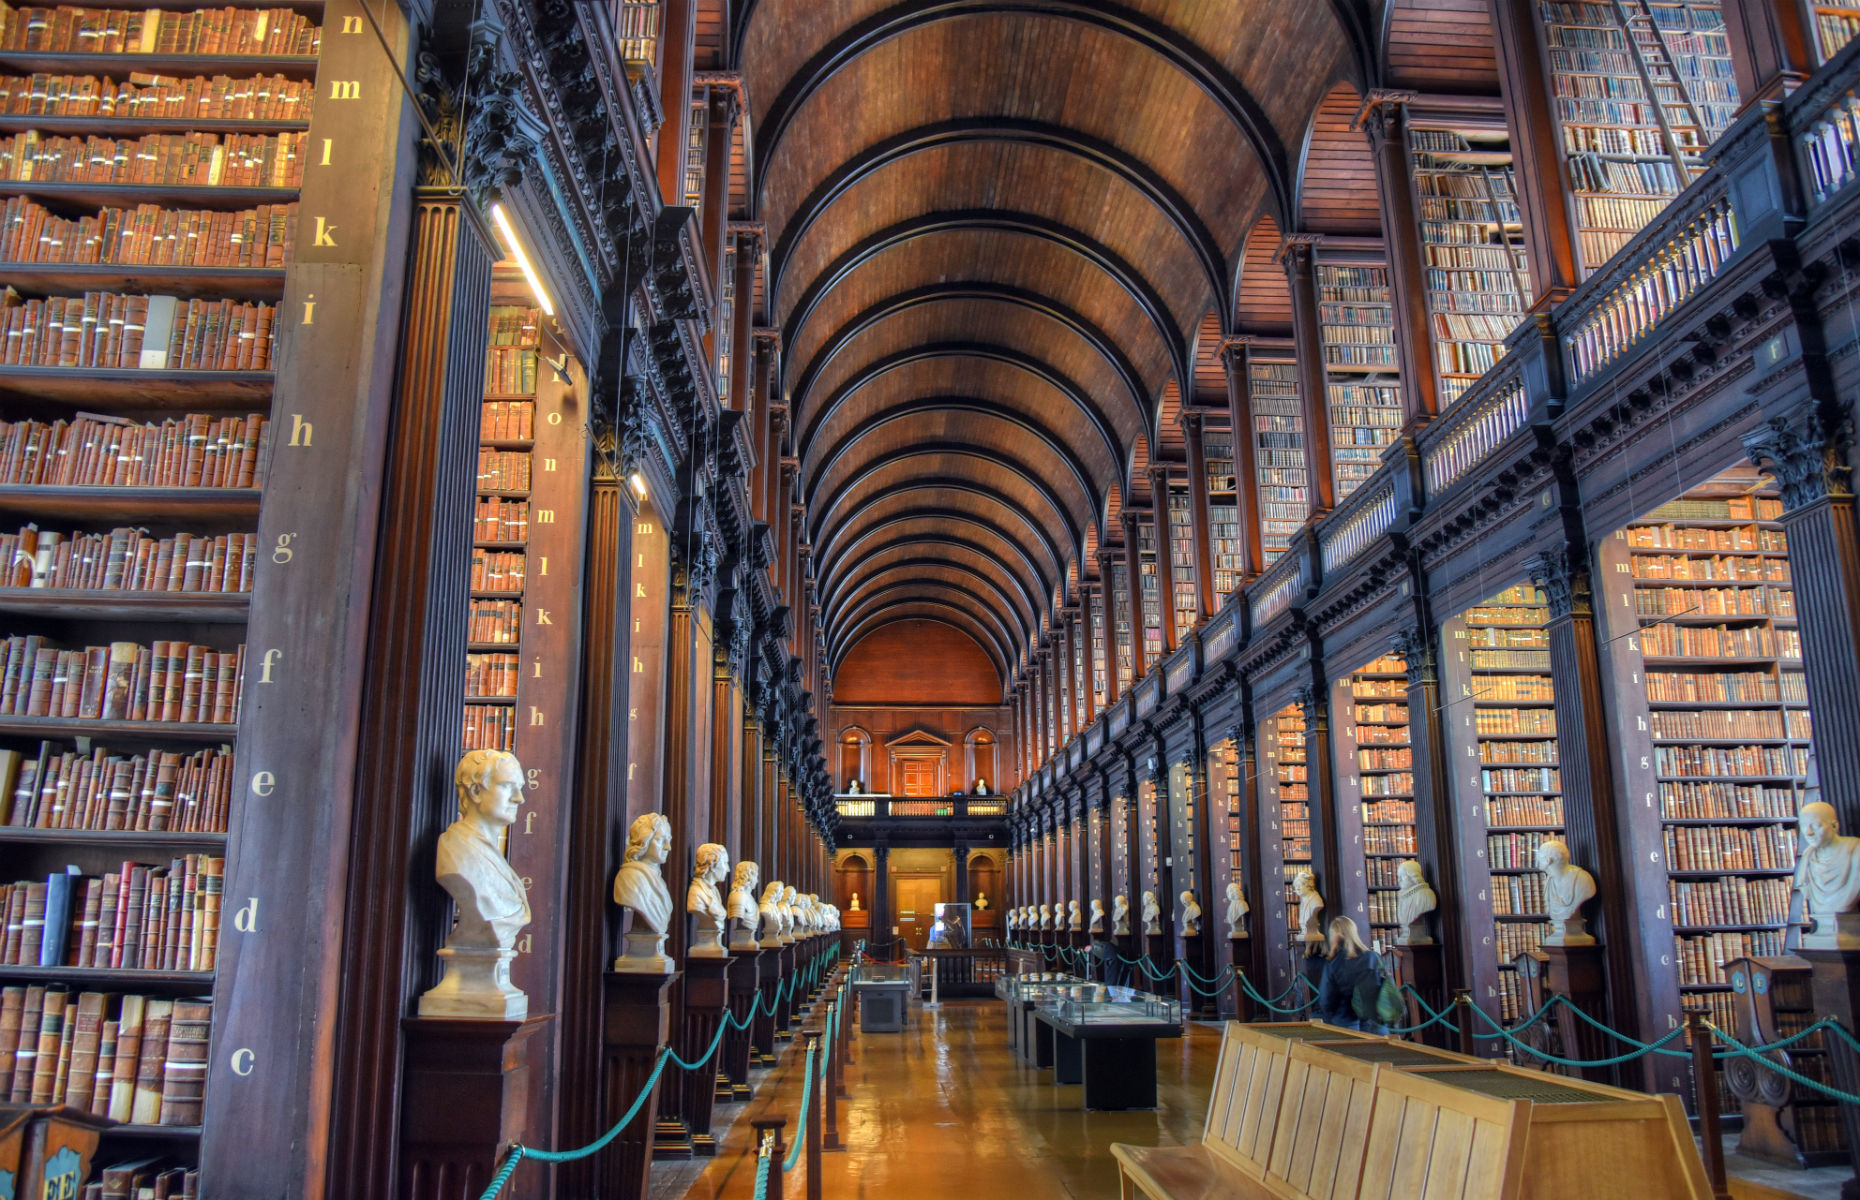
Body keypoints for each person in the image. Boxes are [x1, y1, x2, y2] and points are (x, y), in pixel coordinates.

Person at [1316, 916, 1384, 1032]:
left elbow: (1326, 1001)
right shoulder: (1374, 957)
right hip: (1375, 1024)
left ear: (1334, 935)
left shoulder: (1333, 963)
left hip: (1345, 1023)